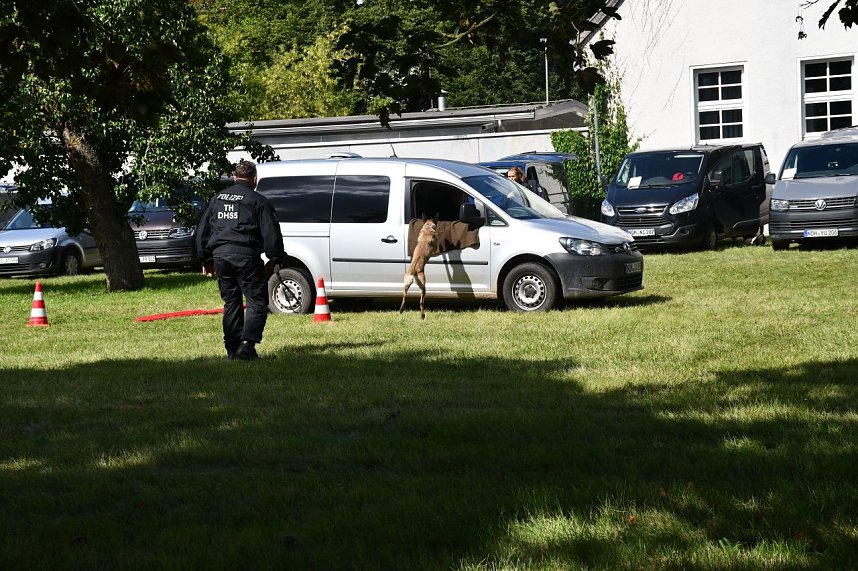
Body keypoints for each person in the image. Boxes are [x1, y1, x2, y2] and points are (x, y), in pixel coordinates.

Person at [196, 160, 285, 361]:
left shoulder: (217, 199)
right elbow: (271, 232)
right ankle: (246, 346)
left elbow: (203, 231)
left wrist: (205, 260)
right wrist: (276, 258)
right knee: (256, 301)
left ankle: (232, 348)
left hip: (220, 257)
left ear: (234, 177)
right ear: (255, 179)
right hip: (246, 256)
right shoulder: (258, 201)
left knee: (231, 302)